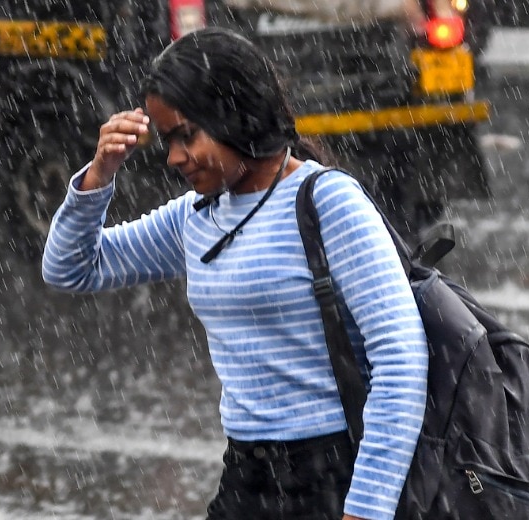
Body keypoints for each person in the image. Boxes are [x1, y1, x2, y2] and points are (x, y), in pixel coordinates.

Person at [42, 27, 428, 520]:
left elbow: (401, 358)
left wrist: (368, 508)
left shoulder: (328, 202)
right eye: (166, 141)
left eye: (186, 136)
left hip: (335, 474)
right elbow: (70, 267)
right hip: (246, 476)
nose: (174, 157)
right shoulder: (197, 216)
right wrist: (99, 176)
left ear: (235, 115)